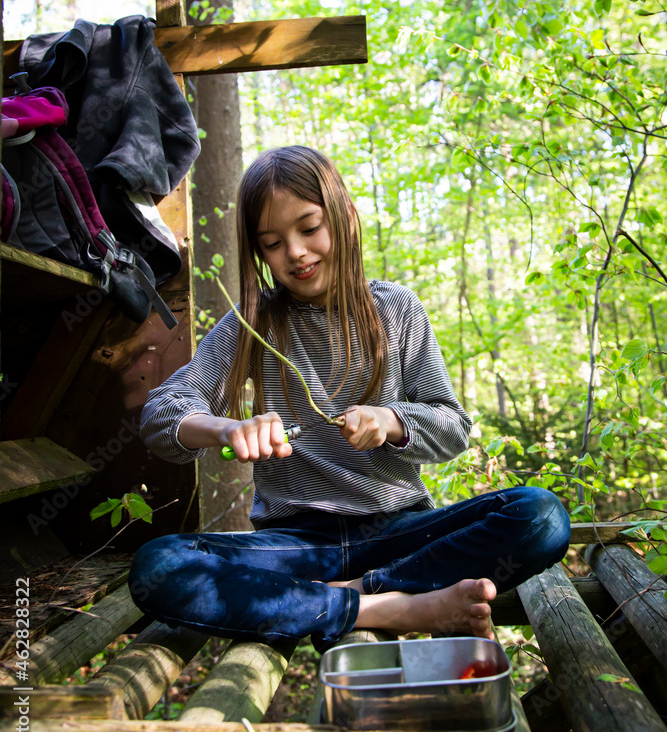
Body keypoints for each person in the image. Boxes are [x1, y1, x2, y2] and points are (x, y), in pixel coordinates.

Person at [130, 145, 570, 651]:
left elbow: (452, 427)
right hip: (296, 545)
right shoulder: (253, 326)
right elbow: (162, 412)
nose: (294, 252)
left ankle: (346, 597)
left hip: (400, 535)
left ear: (345, 216)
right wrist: (226, 429)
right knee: (159, 565)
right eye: (271, 243)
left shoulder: (398, 309)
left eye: (309, 228)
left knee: (542, 516)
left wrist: (391, 421)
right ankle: (388, 607)